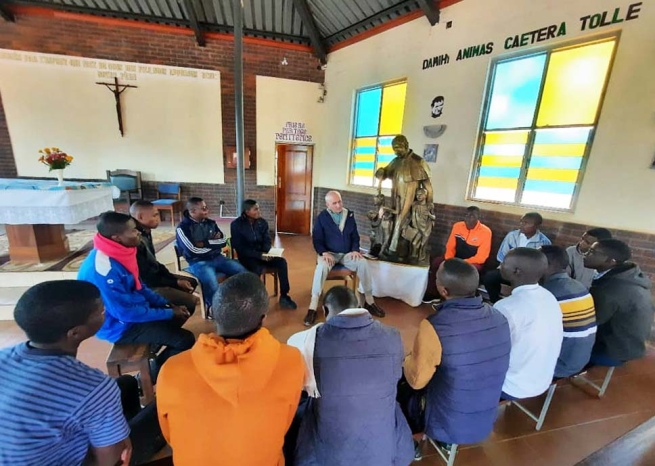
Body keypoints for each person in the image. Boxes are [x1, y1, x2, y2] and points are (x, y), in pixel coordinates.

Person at [157, 273, 304, 466]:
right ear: (263, 319)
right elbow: (285, 423)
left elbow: (169, 435)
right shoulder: (291, 361)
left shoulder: (172, 370)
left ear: (215, 315)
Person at [0, 280, 131, 466]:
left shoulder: (3, 356)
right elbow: (111, 459)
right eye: (102, 311)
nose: (106, 312)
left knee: (126, 384)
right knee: (156, 412)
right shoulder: (93, 386)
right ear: (75, 333)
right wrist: (120, 443)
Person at [289, 286, 413, 466]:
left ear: (325, 311)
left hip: (329, 454)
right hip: (384, 451)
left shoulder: (303, 341)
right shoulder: (392, 336)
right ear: (358, 306)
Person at [404, 259, 510, 451]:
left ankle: (410, 443)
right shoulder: (499, 317)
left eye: (436, 278)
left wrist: (406, 360)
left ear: (444, 291)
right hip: (485, 417)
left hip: (448, 423)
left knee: (401, 386)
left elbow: (416, 381)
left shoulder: (435, 325)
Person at [78, 211, 195, 379]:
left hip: (133, 308)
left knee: (185, 305)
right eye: (133, 230)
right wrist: (169, 312)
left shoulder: (121, 252)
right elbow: (125, 313)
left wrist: (167, 305)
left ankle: (157, 339)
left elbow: (140, 287)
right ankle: (147, 378)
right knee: (185, 340)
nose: (138, 232)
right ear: (117, 237)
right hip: (119, 326)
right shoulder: (104, 271)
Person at [304, 190, 385, 326]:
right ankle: (313, 305)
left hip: (347, 254)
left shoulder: (349, 215)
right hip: (329, 253)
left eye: (339, 201)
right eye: (334, 203)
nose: (338, 205)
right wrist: (324, 252)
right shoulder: (322, 217)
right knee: (321, 267)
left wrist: (354, 249)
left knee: (363, 263)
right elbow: (317, 239)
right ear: (328, 204)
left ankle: (369, 301)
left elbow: (355, 236)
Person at [493, 248, 563, 399]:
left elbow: (490, 350)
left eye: (504, 263)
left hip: (512, 385)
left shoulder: (506, 307)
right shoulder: (549, 296)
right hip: (542, 380)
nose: (500, 266)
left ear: (516, 271)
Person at [583, 239, 655, 365]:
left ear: (610, 261)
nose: (586, 254)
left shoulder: (610, 288)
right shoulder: (628, 276)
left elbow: (590, 322)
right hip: (630, 344)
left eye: (592, 252)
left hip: (615, 349)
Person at [176, 197, 247, 309]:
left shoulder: (211, 223)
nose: (207, 210)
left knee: (242, 272)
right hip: (198, 262)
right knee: (211, 283)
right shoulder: (183, 228)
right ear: (193, 211)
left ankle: (242, 302)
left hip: (218, 258)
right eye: (203, 208)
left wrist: (204, 243)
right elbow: (192, 250)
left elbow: (223, 241)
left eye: (206, 207)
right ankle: (214, 309)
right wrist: (213, 244)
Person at [130, 200, 198, 315]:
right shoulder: (135, 239)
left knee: (191, 282)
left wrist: (174, 280)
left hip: (154, 276)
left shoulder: (145, 231)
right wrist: (174, 282)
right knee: (190, 301)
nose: (159, 218)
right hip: (147, 285)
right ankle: (171, 319)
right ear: (140, 217)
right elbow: (147, 278)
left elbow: (154, 263)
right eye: (155, 215)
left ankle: (174, 310)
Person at [541, 245, 597, 378]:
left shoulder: (548, 294)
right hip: (579, 359)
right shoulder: (578, 286)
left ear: (546, 265)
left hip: (560, 364)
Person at [230, 199, 297, 309]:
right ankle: (255, 299)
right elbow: (240, 248)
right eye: (255, 209)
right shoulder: (236, 225)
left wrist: (267, 252)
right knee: (257, 267)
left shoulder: (262, 222)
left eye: (258, 208)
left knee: (282, 262)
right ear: (247, 212)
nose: (259, 211)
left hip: (263, 254)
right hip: (248, 257)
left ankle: (284, 296)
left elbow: (267, 240)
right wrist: (258, 255)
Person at [375, 135, 433, 256]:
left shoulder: (418, 161)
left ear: (405, 145)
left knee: (402, 221)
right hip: (396, 197)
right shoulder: (396, 161)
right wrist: (381, 172)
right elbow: (385, 172)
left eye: (398, 147)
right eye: (394, 148)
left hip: (410, 200)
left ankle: (395, 249)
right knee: (394, 219)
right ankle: (390, 247)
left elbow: (428, 186)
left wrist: (429, 202)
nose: (395, 151)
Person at [423, 206, 492, 302]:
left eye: (472, 216)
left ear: (478, 217)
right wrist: (449, 260)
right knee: (437, 263)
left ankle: (464, 300)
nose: (468, 218)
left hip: (472, 261)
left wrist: (462, 263)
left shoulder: (486, 232)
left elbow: (482, 257)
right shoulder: (457, 226)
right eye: (466, 215)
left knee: (471, 272)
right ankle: (433, 293)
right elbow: (450, 246)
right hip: (455, 258)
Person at [482, 212, 551, 303]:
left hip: (529, 275)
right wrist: (507, 268)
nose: (521, 225)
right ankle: (495, 301)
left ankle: (523, 305)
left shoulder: (544, 242)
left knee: (539, 285)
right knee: (490, 277)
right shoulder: (512, 236)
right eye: (521, 222)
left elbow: (542, 264)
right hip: (510, 270)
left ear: (537, 226)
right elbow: (502, 256)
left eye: (526, 223)